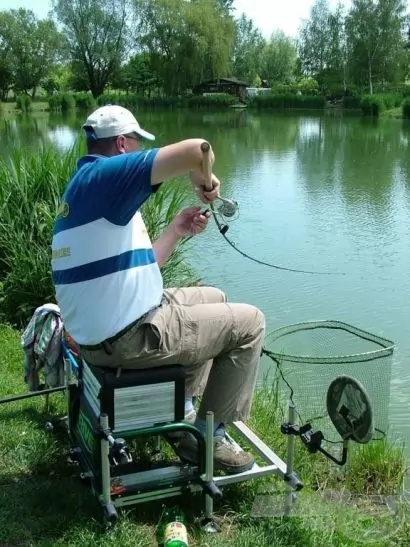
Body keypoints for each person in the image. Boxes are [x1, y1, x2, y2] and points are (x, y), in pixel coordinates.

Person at [51, 105, 265, 475]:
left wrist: (176, 231)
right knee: (251, 324)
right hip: (125, 338)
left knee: (213, 297)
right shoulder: (106, 177)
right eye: (136, 143)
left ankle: (182, 411)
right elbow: (199, 149)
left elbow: (137, 266)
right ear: (121, 144)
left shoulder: (88, 189)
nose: (138, 150)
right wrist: (205, 180)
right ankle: (209, 439)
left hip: (106, 330)